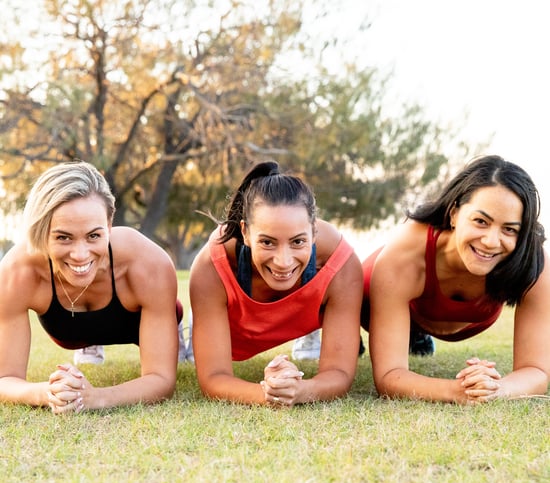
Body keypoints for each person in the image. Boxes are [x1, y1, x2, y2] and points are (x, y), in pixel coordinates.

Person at [361, 155, 550, 404]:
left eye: (509, 229)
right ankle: (354, 334)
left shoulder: (532, 261)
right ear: (454, 213)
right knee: (355, 300)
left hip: (459, 324)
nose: (491, 242)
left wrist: (496, 388)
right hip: (368, 303)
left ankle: (415, 336)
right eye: (481, 221)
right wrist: (456, 391)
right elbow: (388, 377)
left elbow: (536, 371)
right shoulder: (403, 257)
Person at [0, 161, 183, 413]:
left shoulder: (148, 263)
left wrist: (95, 397)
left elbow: (161, 379)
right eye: (63, 237)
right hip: (71, 332)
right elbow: (4, 379)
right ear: (42, 232)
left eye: (94, 236)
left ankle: (183, 334)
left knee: (175, 320)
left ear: (109, 225)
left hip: (134, 323)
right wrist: (48, 392)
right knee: (76, 332)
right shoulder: (17, 272)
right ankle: (90, 342)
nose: (79, 254)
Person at [189, 161, 363, 406]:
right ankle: (190, 334)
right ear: (246, 232)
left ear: (314, 231)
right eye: (268, 242)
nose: (283, 261)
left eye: (298, 242)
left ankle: (311, 329)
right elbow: (214, 378)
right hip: (235, 331)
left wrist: (300, 390)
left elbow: (339, 374)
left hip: (303, 312)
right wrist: (270, 394)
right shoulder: (212, 266)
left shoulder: (339, 263)